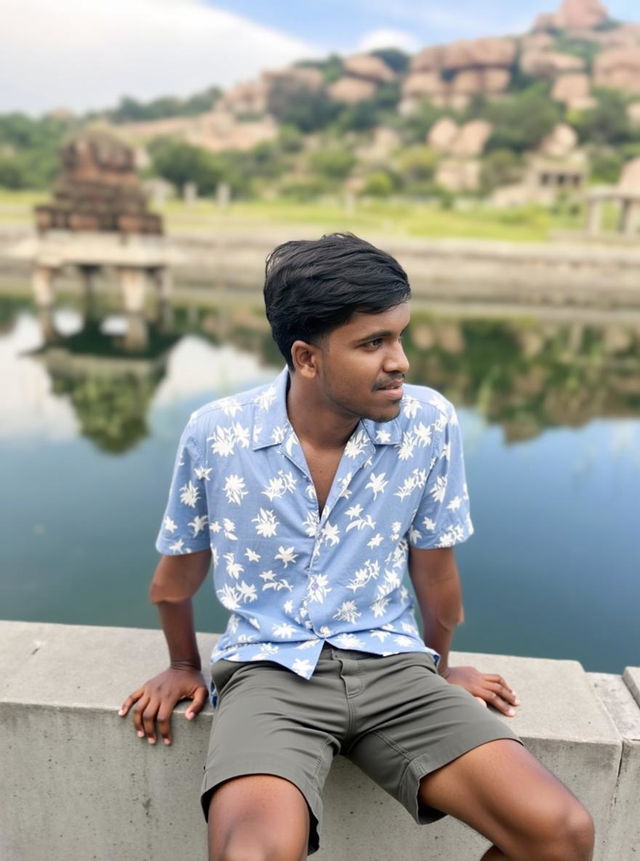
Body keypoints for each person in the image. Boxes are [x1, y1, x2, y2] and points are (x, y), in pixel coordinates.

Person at [120, 234, 594, 861]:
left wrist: (440, 666)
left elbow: (436, 576)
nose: (399, 360)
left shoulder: (428, 424)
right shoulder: (219, 433)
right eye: (373, 343)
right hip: (270, 674)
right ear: (307, 358)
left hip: (395, 668)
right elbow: (174, 578)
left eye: (400, 335)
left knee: (560, 833)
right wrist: (184, 667)